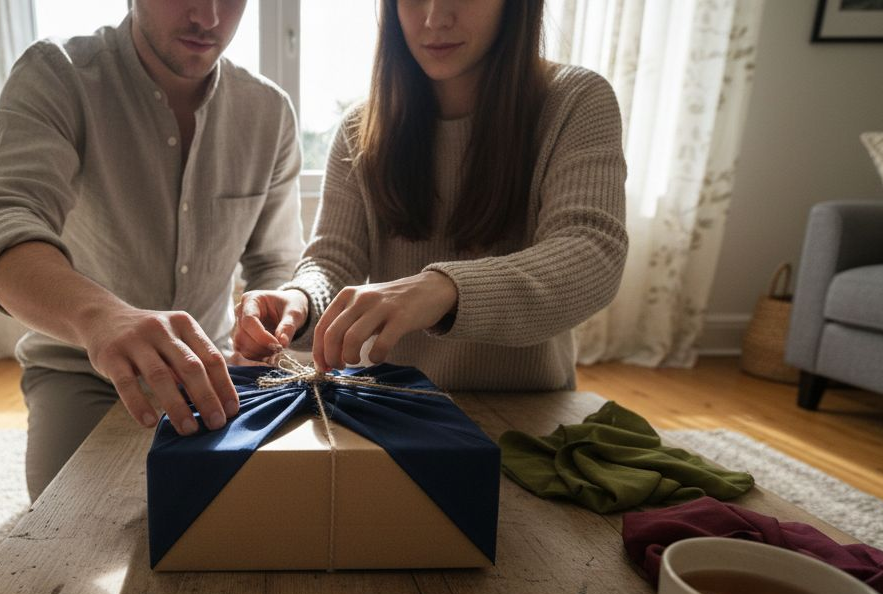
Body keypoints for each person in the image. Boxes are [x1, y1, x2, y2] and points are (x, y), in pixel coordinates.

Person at [0, 0, 305, 501]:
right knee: (69, 540)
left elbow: (274, 260)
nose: (208, 17)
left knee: (261, 518)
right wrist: (101, 319)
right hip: (80, 369)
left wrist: (267, 316)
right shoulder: (58, 74)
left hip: (212, 369)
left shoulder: (269, 110)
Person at [233, 0, 627, 391]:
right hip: (391, 411)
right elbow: (332, 262)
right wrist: (300, 302)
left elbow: (591, 252)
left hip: (528, 416)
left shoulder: (575, 101)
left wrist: (443, 289)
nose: (435, 18)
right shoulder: (360, 127)